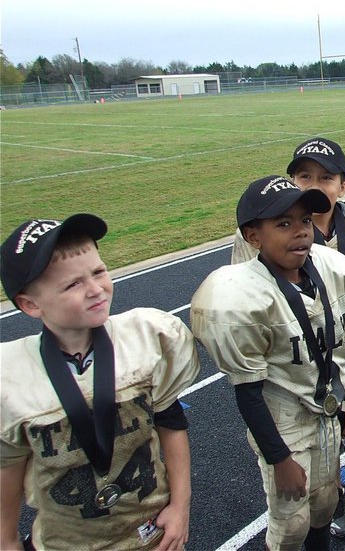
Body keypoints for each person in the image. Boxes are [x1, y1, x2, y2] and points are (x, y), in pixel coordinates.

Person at [230, 138, 345, 544]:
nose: (314, 184)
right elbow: (249, 302)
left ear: (344, 185)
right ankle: (335, 499)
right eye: (304, 175)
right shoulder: (266, 236)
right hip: (300, 364)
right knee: (317, 445)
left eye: (326, 177)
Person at [0, 214, 200, 551]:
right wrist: (6, 539)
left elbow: (171, 423)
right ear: (30, 304)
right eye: (72, 284)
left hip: (151, 530)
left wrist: (181, 506)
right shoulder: (11, 376)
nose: (95, 290)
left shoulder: (148, 338)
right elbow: (8, 466)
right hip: (67, 542)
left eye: (98, 272)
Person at [190, 177, 345, 551]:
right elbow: (248, 394)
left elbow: (339, 348)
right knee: (290, 526)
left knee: (324, 506)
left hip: (327, 411)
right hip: (284, 419)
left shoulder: (336, 272)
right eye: (283, 224)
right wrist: (279, 458)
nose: (300, 232)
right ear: (253, 236)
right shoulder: (243, 297)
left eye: (304, 220)